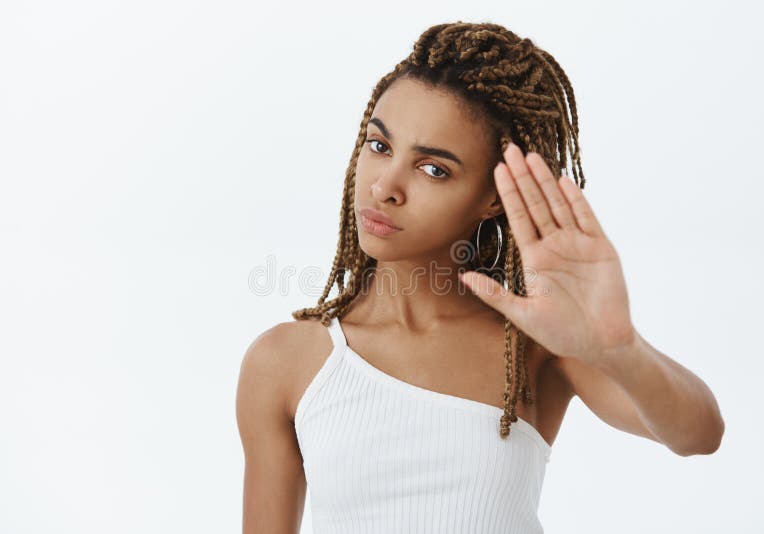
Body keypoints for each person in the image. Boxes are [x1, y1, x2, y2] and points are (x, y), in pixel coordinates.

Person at [236, 21, 725, 534]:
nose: (385, 186)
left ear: (493, 196)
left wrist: (618, 346)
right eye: (380, 145)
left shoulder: (534, 345)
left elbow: (699, 434)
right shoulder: (285, 364)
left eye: (434, 169)